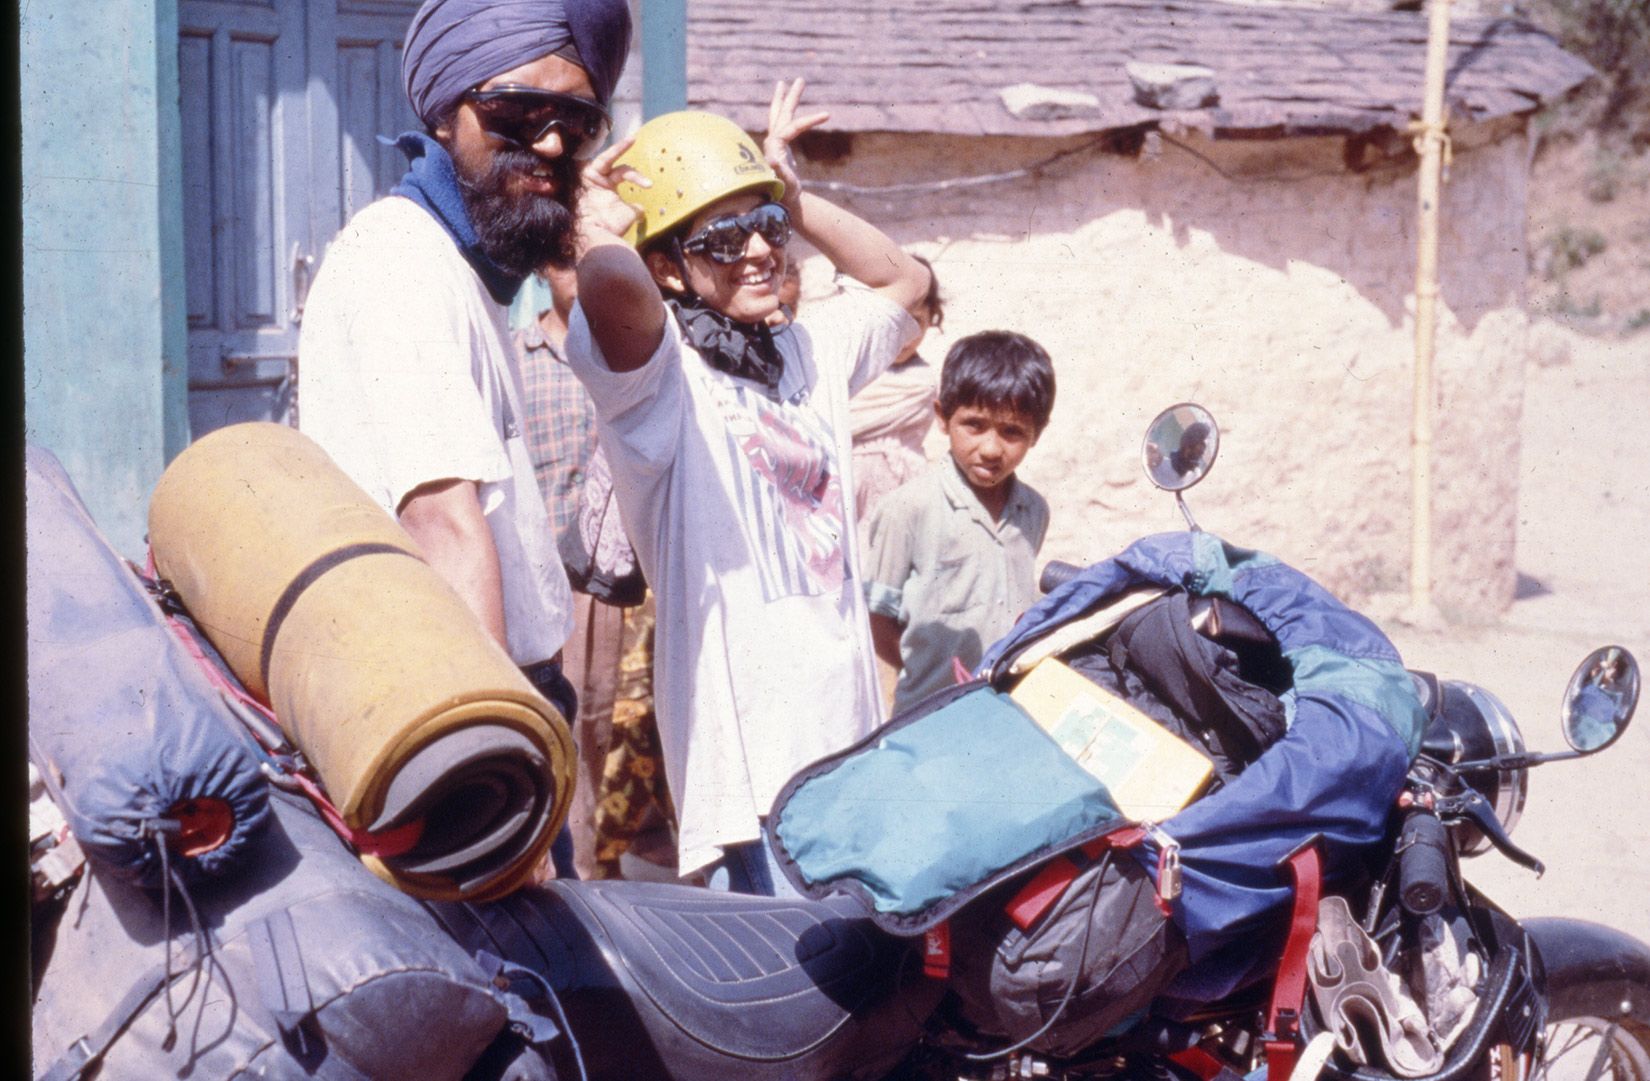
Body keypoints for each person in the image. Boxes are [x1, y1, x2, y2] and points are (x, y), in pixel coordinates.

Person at [566, 81, 931, 893]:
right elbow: (620, 304)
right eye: (726, 237)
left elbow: (905, 285)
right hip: (751, 779)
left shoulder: (809, 350)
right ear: (669, 265)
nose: (762, 251)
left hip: (847, 744)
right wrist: (595, 234)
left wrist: (793, 200)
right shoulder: (658, 382)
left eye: (765, 229)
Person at [297, 0, 633, 876]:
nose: (554, 147)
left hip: (502, 697)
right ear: (445, 113)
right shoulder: (402, 263)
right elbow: (443, 524)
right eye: (520, 116)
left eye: (579, 123)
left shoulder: (465, 268)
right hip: (472, 710)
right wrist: (505, 793)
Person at [862, 331, 1056, 714]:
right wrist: (927, 675)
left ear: (1037, 433)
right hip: (928, 710)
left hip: (1006, 702)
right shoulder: (908, 508)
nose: (990, 449)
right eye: (974, 425)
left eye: (1012, 432)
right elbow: (877, 618)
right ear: (942, 417)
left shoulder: (1033, 510)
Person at [513, 263, 633, 879]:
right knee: (536, 726)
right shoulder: (516, 358)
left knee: (591, 723)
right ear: (542, 271)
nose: (580, 279)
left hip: (600, 581)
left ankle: (580, 871)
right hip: (533, 580)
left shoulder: (626, 357)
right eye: (565, 265)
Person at [849, 253, 945, 520]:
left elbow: (841, 422)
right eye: (894, 323)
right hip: (844, 489)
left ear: (932, 316)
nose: (905, 336)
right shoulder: (850, 373)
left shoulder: (922, 383)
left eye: (916, 322)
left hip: (903, 492)